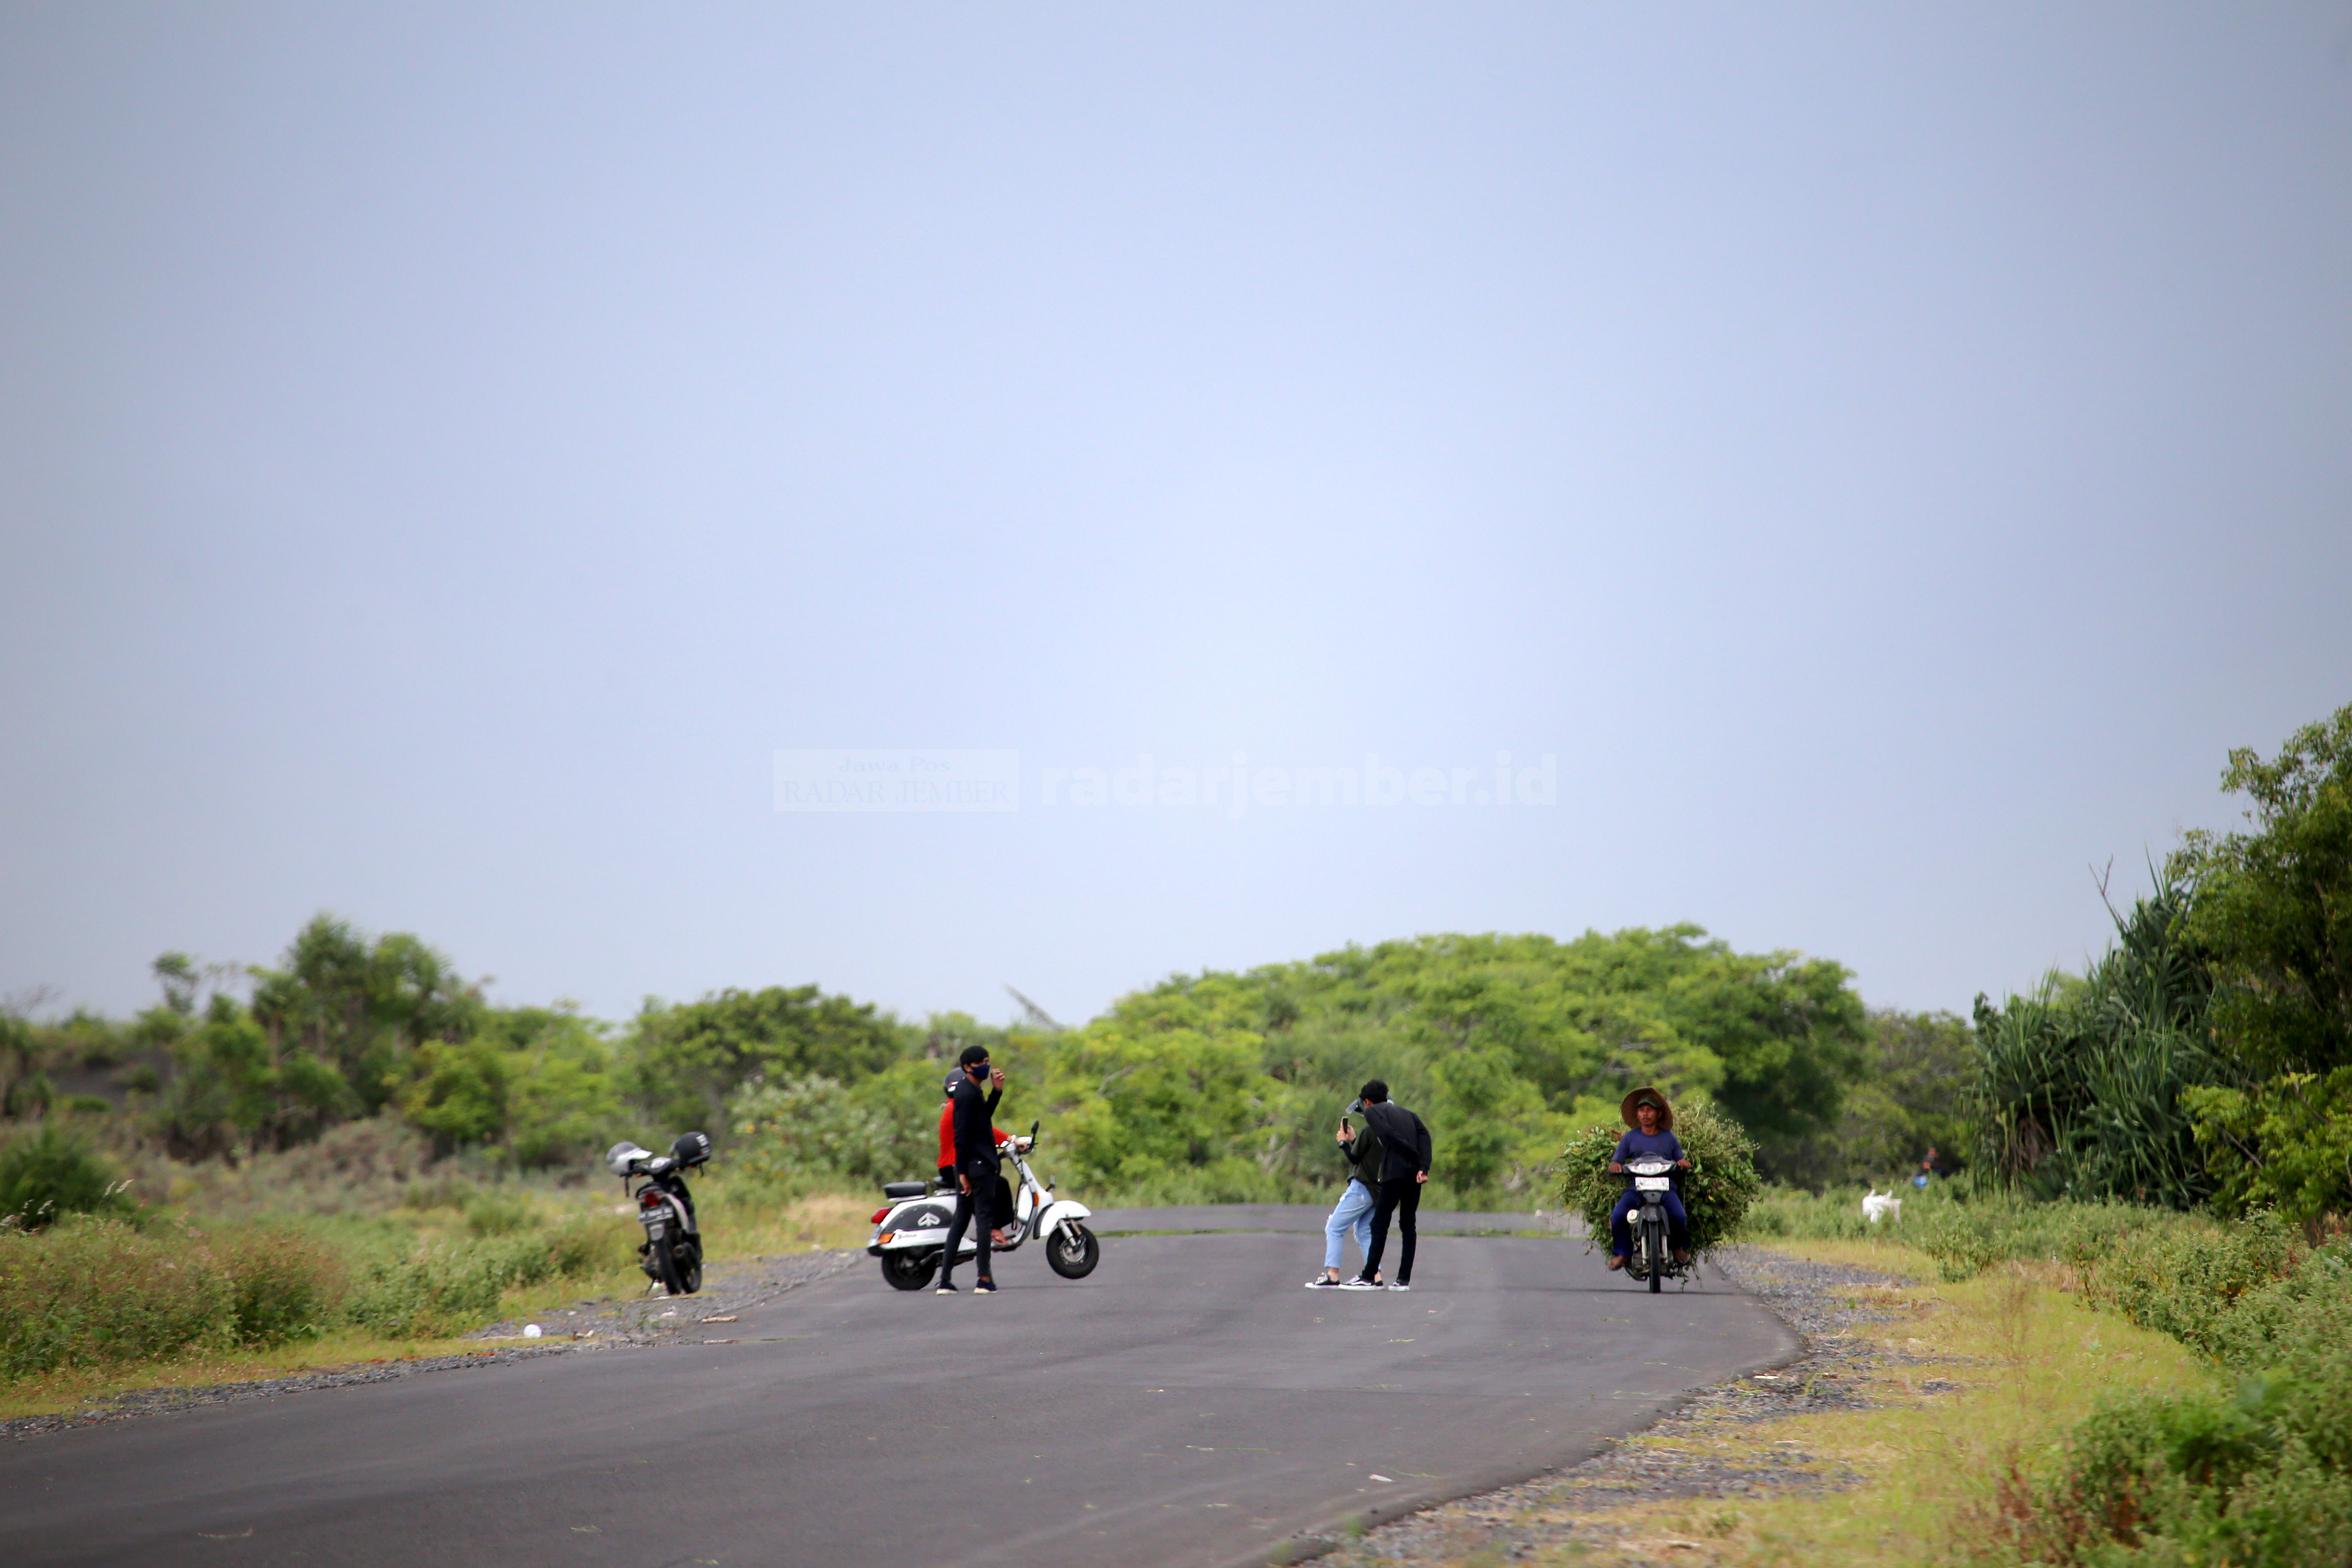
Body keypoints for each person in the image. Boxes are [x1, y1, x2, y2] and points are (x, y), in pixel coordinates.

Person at [938, 1045, 1008, 1295]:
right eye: (982, 1062)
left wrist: (996, 1092)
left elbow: (983, 1121)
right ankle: (984, 1279)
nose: (987, 1066)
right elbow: (962, 1136)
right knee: (984, 1221)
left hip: (972, 1166)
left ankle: (945, 1281)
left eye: (989, 1061)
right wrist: (964, 1174)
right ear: (968, 1067)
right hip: (977, 1167)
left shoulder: (972, 1092)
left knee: (961, 1221)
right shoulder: (967, 1095)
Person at [1351, 1081, 1433, 1292]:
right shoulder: (1409, 1114)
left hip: (1394, 1173)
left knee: (1380, 1224)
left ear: (1367, 1101)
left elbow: (1387, 1135)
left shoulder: (1373, 1112)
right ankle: (1403, 1280)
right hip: (1414, 1175)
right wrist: (1423, 1166)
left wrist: (1410, 1154)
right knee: (1408, 1224)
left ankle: (1369, 1277)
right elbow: (1425, 1137)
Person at [1605, 1086, 1691, 1271]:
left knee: (1679, 1216)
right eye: (1642, 1110)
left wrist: (1683, 1163)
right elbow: (1617, 1159)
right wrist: (1615, 1166)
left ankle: (1677, 1249)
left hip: (1665, 1187)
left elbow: (1680, 1159)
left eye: (1650, 1110)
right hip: (1637, 1187)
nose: (1645, 1114)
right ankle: (1622, 1252)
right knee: (1618, 1216)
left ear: (1659, 1114)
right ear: (1637, 1114)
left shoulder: (1669, 1138)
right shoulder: (1630, 1138)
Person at [1306, 1103, 1384, 1288]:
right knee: (1365, 1232)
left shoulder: (1369, 1130)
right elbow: (1369, 1154)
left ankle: (1332, 1275)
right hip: (1377, 1191)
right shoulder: (1385, 1133)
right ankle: (1376, 1276)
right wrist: (1355, 1139)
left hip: (1362, 1188)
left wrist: (1343, 1142)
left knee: (1334, 1227)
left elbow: (1354, 1158)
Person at [938, 1078, 1014, 1244]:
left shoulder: (954, 1106)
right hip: (956, 1166)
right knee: (999, 1185)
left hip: (955, 1164)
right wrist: (1012, 1140)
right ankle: (994, 1229)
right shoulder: (958, 1107)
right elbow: (984, 1129)